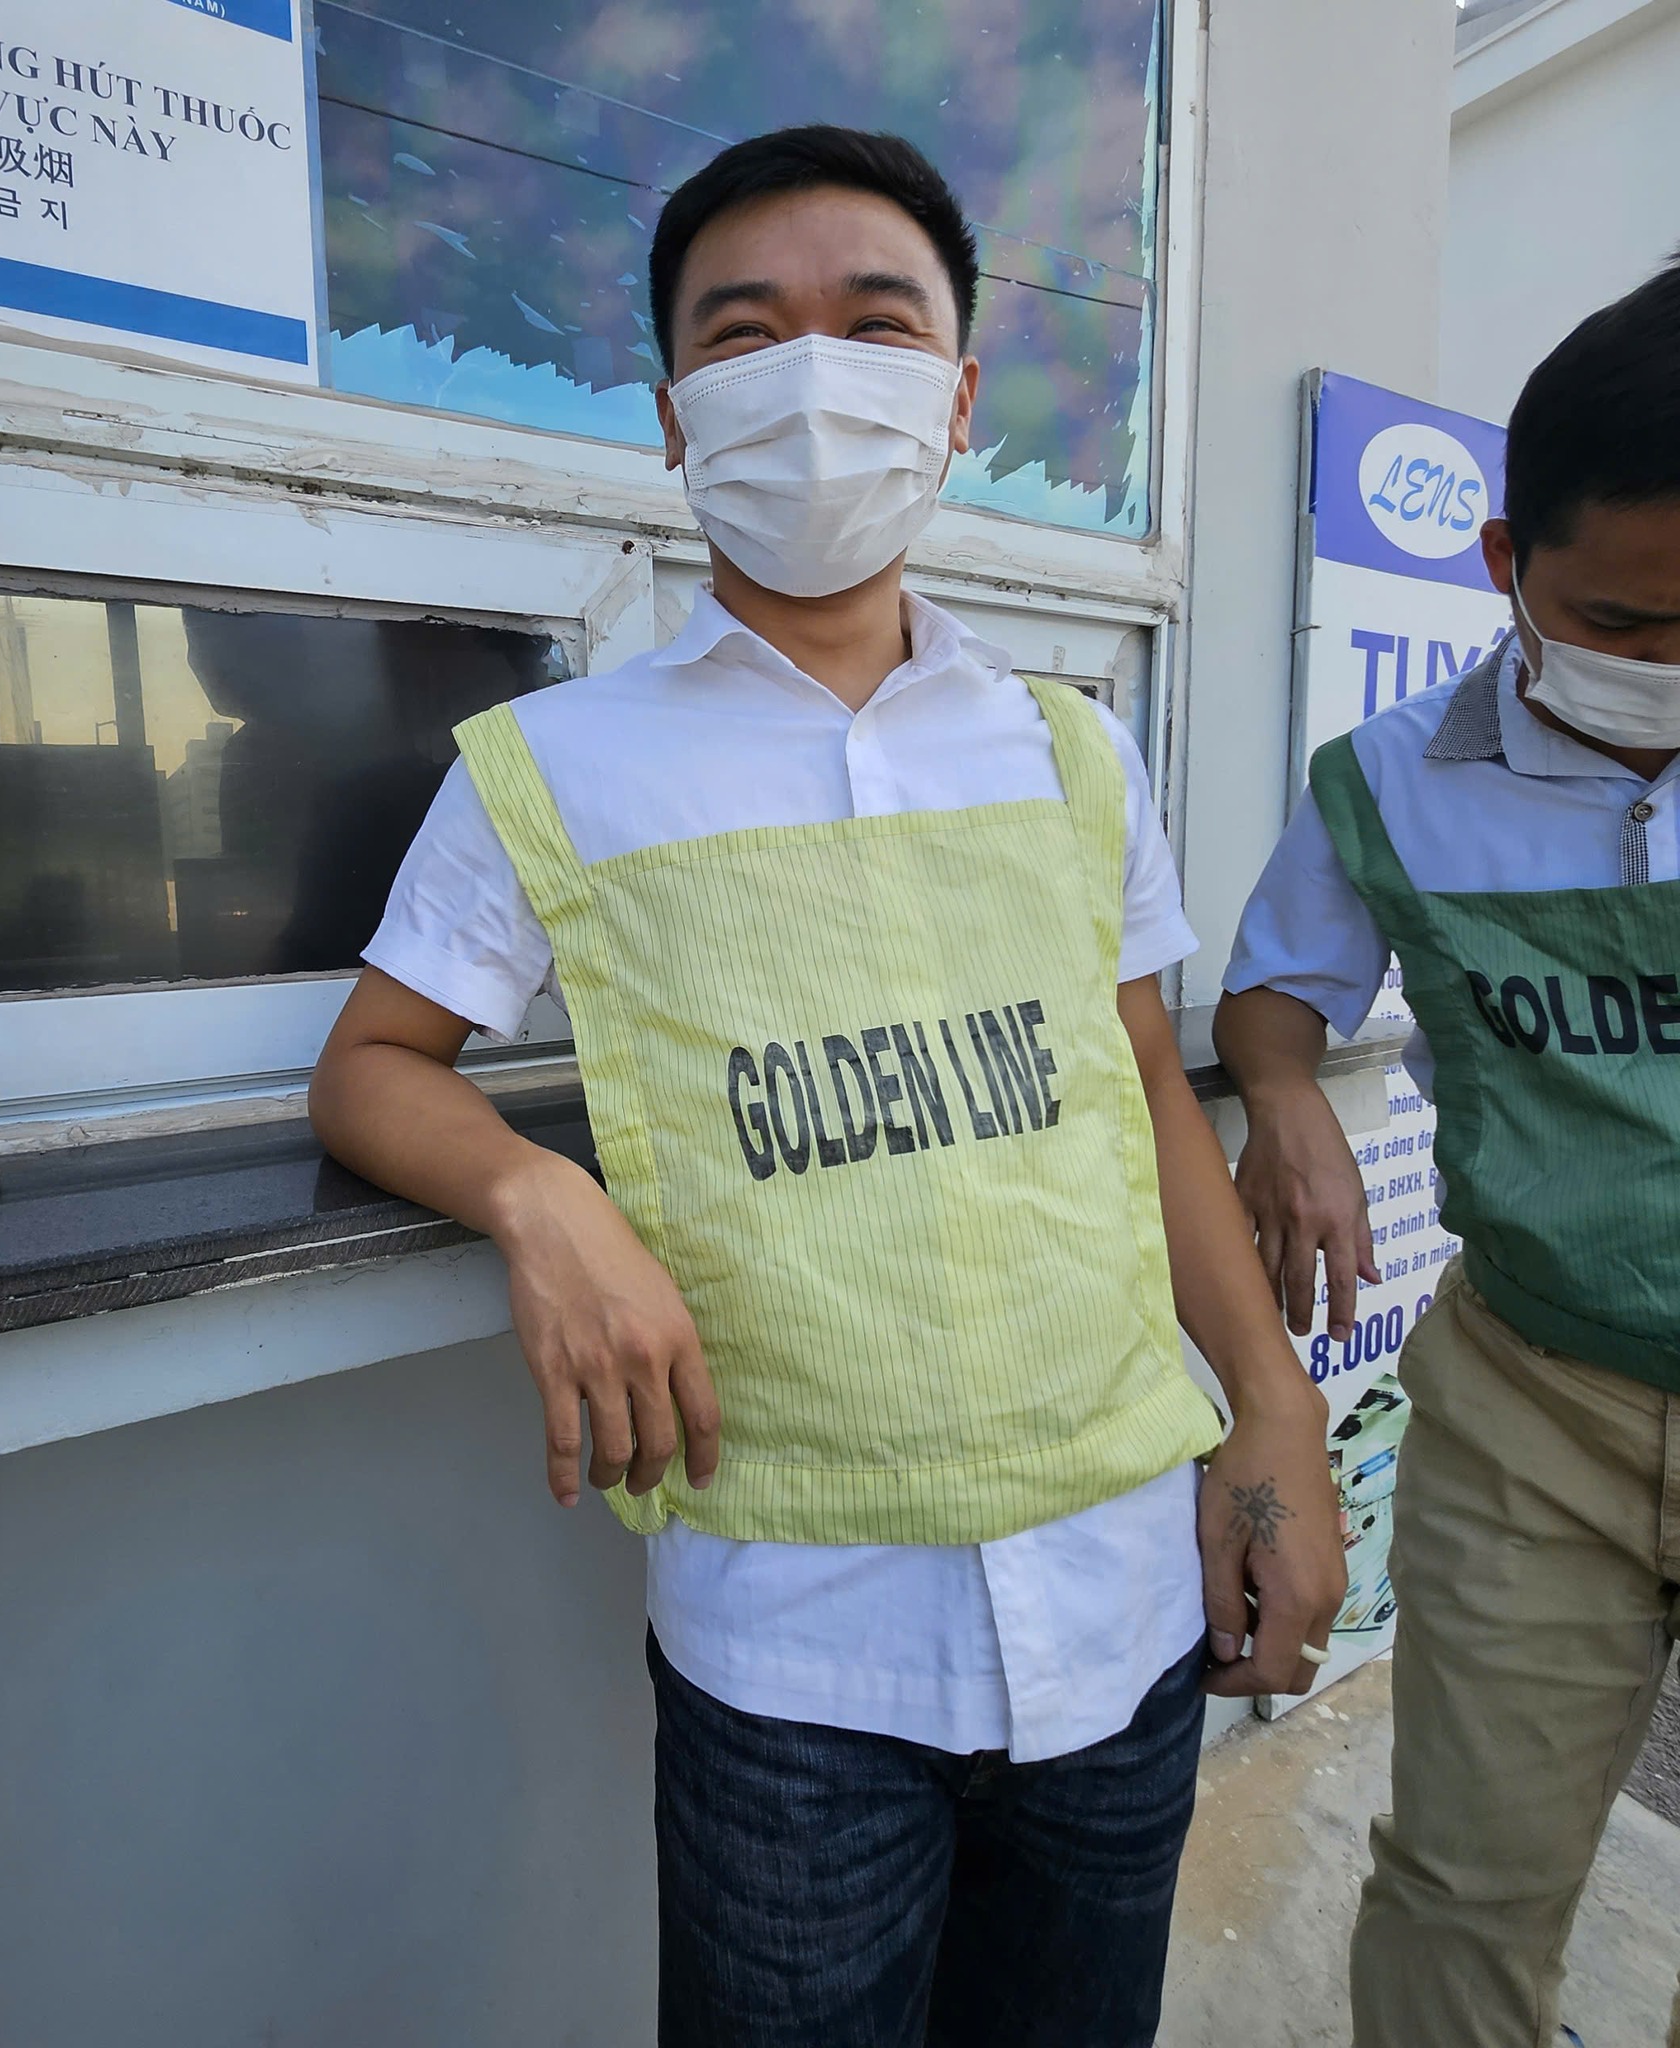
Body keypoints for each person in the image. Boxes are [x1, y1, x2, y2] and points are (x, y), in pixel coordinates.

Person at [314, 125, 1345, 2048]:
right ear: (673, 415)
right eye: (744, 333)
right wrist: (545, 1200)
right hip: (797, 1662)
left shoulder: (1073, 752)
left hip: (1121, 1604)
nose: (811, 378)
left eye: (875, 328)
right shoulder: (558, 767)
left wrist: (1269, 1414)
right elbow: (374, 1068)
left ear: (954, 399)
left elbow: (1139, 1078)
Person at [1215, 260, 1680, 2048]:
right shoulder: (1393, 780)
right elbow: (1278, 989)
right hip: (1535, 1409)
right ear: (1504, 564)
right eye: (1625, 621)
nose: (1670, 667)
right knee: (1464, 1891)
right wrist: (1286, 1098)